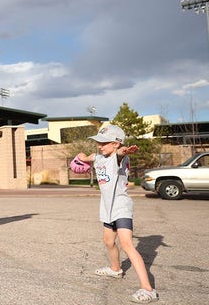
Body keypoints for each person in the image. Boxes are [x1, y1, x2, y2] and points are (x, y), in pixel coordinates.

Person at [76, 125, 158, 303]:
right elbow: (89, 157)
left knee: (127, 245)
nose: (99, 145)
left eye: (103, 143)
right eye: (98, 142)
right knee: (108, 241)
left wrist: (122, 151)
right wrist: (80, 157)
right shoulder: (99, 156)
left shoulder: (118, 157)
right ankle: (115, 269)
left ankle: (147, 288)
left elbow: (120, 154)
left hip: (121, 205)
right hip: (106, 207)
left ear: (115, 144)